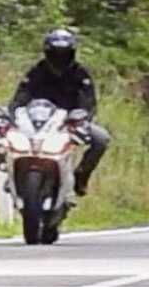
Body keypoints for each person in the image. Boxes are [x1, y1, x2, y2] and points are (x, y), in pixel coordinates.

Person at [8, 28, 109, 196]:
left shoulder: (80, 73)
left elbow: (89, 101)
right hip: (37, 120)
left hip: (69, 121)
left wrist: (82, 119)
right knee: (3, 136)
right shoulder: (37, 71)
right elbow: (21, 96)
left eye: (64, 54)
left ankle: (81, 177)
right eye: (55, 54)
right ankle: (9, 176)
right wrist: (13, 115)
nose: (59, 59)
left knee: (101, 139)